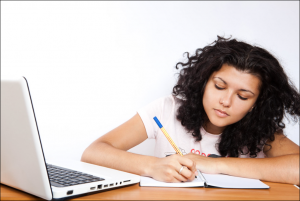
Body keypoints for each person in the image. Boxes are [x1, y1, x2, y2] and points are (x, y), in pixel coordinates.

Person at [81, 36, 300, 185]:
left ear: (257, 103)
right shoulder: (167, 109)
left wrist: (214, 164)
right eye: (219, 86)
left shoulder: (261, 130)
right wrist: (154, 166)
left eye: (242, 96)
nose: (226, 101)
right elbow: (93, 152)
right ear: (204, 82)